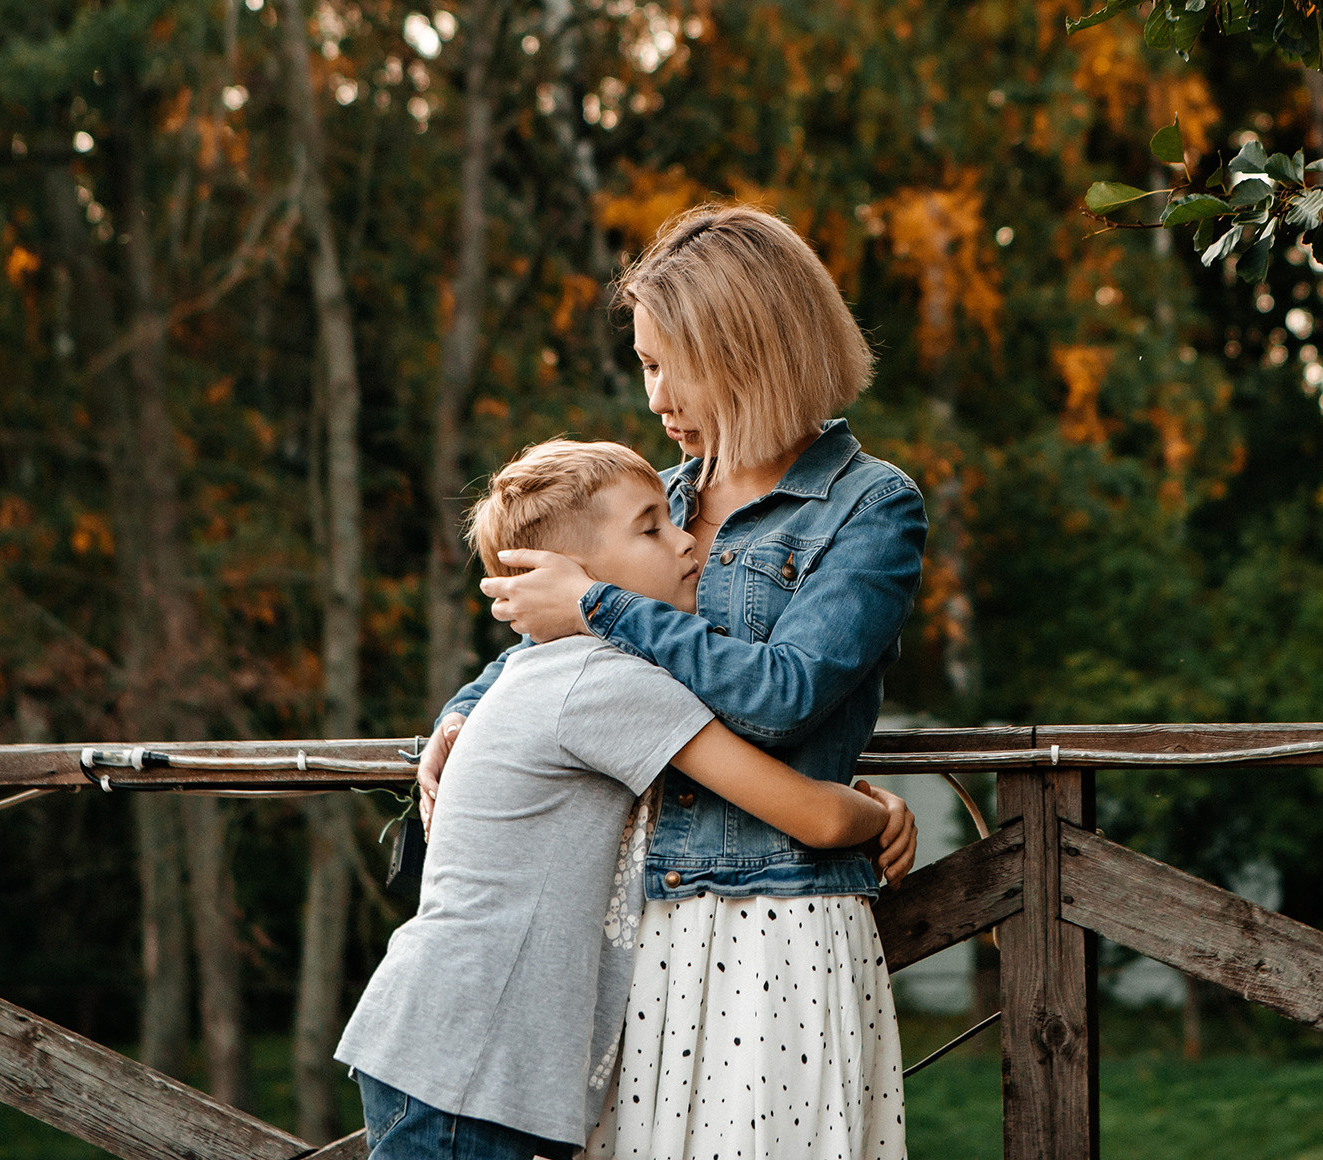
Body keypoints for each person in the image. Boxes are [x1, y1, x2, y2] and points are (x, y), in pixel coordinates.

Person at [420, 203, 928, 1160]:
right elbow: (537, 656)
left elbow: (785, 697)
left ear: (740, 349)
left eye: (662, 363)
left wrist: (604, 608)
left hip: (778, 928)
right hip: (632, 927)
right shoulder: (658, 494)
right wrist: (453, 726)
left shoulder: (870, 508)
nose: (651, 395)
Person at [338, 438, 915, 1160]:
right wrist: (881, 812)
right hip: (470, 1062)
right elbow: (821, 817)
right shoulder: (608, 682)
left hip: (454, 1049)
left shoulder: (563, 670)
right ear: (571, 579)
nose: (685, 539)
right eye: (651, 527)